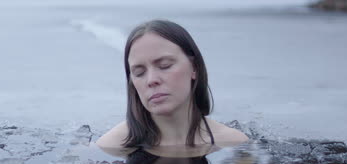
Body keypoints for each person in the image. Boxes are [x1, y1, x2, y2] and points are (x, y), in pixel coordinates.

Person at [96, 19, 248, 150]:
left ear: (194, 68)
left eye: (165, 65)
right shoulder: (111, 146)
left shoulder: (233, 142)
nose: (151, 80)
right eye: (139, 73)